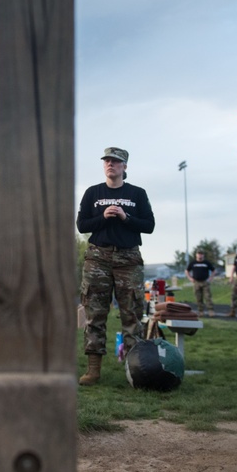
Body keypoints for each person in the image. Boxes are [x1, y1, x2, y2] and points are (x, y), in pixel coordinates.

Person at [76, 147, 155, 386]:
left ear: (125, 167)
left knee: (131, 314)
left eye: (116, 161)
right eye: (107, 161)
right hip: (98, 258)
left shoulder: (137, 193)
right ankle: (93, 370)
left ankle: (135, 370)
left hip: (128, 259)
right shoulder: (93, 193)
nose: (111, 164)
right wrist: (103, 216)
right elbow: (81, 225)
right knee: (94, 314)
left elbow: (149, 225)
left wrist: (125, 217)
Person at [185, 250, 216, 317]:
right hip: (196, 282)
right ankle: (201, 311)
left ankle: (211, 311)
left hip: (205, 282)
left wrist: (210, 278)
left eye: (201, 254)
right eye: (199, 254)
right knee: (198, 298)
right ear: (196, 255)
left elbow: (213, 270)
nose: (200, 255)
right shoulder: (193, 263)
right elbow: (187, 271)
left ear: (203, 255)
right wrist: (190, 278)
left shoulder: (206, 263)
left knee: (208, 297)